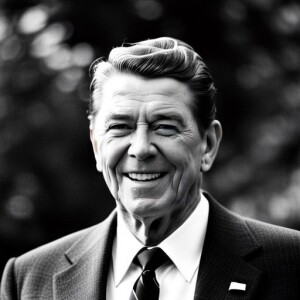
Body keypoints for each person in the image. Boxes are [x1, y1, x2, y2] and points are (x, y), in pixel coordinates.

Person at [1, 37, 300, 300]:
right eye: (120, 127)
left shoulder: (291, 265)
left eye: (165, 127)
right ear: (96, 145)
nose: (141, 148)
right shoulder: (27, 280)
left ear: (207, 144)